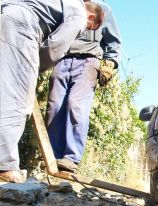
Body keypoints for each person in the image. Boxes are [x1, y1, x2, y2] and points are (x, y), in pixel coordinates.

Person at [0, 0, 105, 183]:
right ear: (91, 17)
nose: (84, 31)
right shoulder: (80, 13)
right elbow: (56, 45)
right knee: (17, 97)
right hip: (20, 28)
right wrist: (32, 68)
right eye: (89, 27)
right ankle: (5, 165)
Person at [46, 0, 121, 173]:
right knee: (54, 106)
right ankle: (52, 156)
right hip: (62, 59)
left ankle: (71, 158)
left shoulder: (103, 9)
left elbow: (114, 41)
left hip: (88, 61)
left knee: (76, 105)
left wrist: (110, 62)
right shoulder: (65, 5)